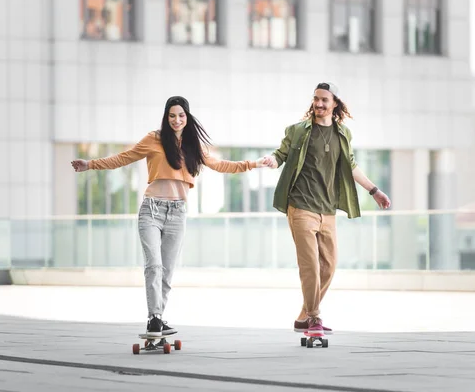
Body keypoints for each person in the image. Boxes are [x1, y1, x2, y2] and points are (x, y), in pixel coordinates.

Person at [72, 96, 266, 337]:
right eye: (172, 115)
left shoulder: (193, 145)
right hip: (151, 210)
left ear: (187, 117)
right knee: (153, 265)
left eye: (181, 115)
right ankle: (154, 317)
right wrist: (90, 164)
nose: (176, 120)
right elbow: (124, 158)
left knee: (167, 271)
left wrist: (252, 164)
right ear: (166, 117)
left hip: (177, 213)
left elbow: (219, 165)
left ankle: (158, 316)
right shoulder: (153, 139)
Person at [262, 82, 391, 335]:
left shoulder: (343, 134)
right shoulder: (298, 131)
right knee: (309, 265)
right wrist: (271, 160)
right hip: (300, 207)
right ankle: (314, 317)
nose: (318, 104)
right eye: (316, 99)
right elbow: (281, 154)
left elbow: (351, 166)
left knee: (328, 267)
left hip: (328, 210)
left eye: (324, 100)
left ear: (335, 104)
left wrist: (374, 190)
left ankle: (303, 316)